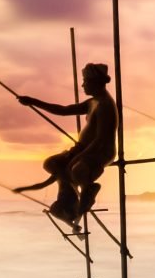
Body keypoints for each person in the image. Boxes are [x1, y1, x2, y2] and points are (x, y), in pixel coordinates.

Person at [15, 62, 118, 226]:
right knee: (52, 163)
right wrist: (33, 102)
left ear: (96, 82)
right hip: (83, 149)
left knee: (77, 169)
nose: (83, 84)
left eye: (86, 81)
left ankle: (88, 190)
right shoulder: (93, 102)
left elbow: (100, 140)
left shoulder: (105, 105)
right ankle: (68, 201)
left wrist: (78, 158)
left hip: (101, 151)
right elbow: (63, 110)